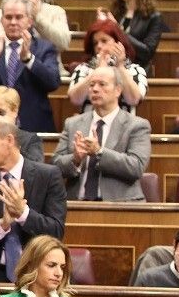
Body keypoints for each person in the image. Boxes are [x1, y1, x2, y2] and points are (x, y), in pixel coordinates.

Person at [0, 119, 67, 283]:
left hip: (38, 276)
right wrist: (2, 225)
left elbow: (56, 232)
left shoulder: (48, 176)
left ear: (9, 140)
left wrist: (23, 213)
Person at [52, 66, 152, 202]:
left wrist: (99, 152)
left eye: (102, 84)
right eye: (91, 85)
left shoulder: (136, 125)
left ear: (118, 90)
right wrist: (75, 159)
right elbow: (55, 165)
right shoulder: (72, 124)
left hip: (121, 206)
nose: (95, 89)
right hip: (77, 205)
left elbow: (136, 167)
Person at [0, 0, 62, 134]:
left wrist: (28, 59)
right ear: (1, 20)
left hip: (32, 127)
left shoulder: (45, 48)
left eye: (19, 17)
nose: (13, 22)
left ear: (29, 21)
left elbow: (53, 82)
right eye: (8, 17)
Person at [66, 19, 148, 114]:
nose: (99, 46)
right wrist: (98, 71)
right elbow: (75, 99)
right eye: (95, 43)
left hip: (124, 126)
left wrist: (120, 66)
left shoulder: (134, 70)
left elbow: (134, 99)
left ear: (119, 43)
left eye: (104, 41)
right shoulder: (84, 69)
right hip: (89, 124)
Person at [101, 0, 165, 72]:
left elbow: (147, 53)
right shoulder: (116, 13)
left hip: (138, 71)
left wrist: (117, 29)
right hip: (113, 69)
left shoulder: (153, 17)